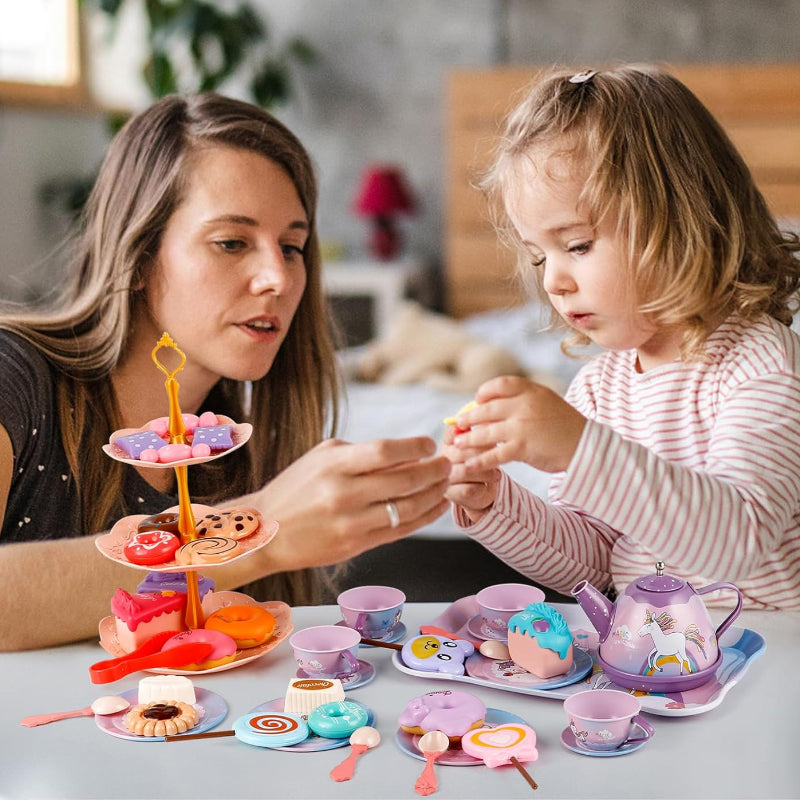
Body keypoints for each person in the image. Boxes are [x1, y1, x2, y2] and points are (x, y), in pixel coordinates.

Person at [0, 93, 451, 651]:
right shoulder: (14, 378)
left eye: (292, 247)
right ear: (139, 256)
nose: (278, 279)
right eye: (231, 242)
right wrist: (249, 535)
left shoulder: (239, 453)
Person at [442, 64, 800, 610]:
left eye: (578, 245)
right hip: (657, 660)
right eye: (540, 255)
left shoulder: (761, 365)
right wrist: (497, 504)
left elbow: (739, 541)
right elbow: (591, 565)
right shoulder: (598, 391)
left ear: (682, 217)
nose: (552, 281)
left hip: (765, 661)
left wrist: (582, 448)